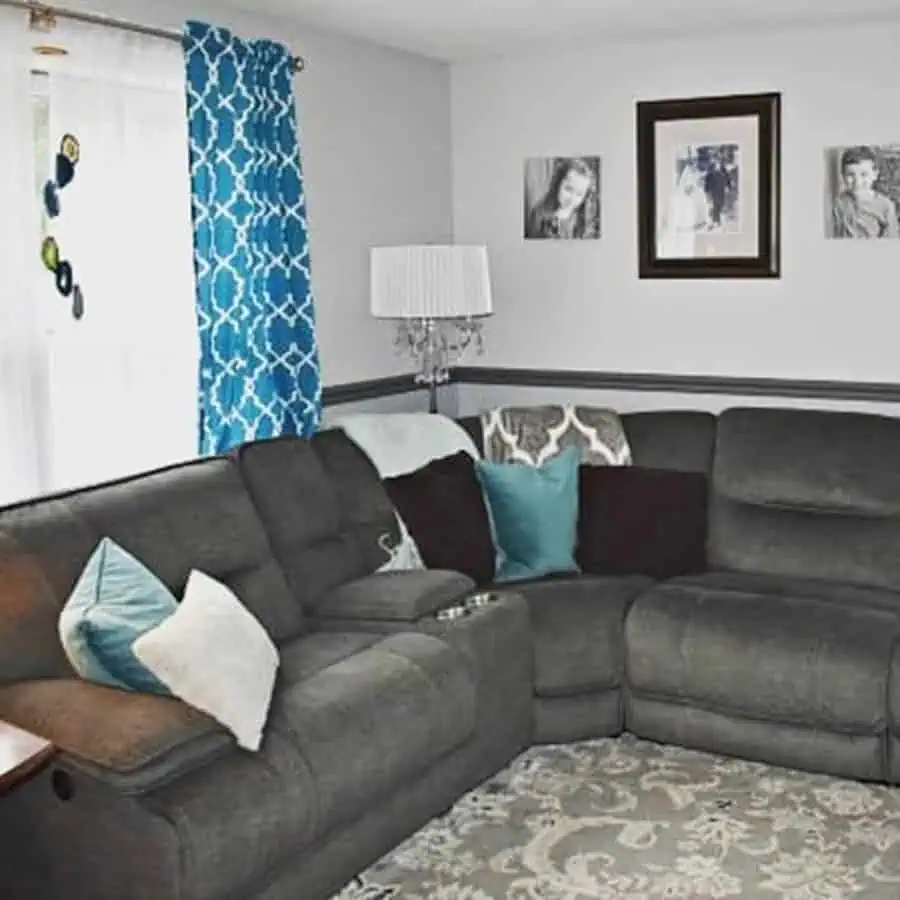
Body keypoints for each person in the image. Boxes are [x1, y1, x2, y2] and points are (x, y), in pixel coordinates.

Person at [832, 145, 900, 239]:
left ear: (875, 175)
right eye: (850, 175)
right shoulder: (840, 203)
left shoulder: (886, 206)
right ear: (843, 176)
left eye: (864, 175)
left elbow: (892, 237)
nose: (857, 181)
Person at [526, 158, 597, 239]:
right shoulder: (539, 214)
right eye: (568, 189)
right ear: (558, 183)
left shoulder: (583, 218)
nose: (572, 199)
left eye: (579, 194)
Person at [704, 153, 729, 230]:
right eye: (714, 159)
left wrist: (728, 186)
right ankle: (713, 222)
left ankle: (717, 221)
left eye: (717, 159)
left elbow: (727, 177)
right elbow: (707, 179)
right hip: (713, 189)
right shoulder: (710, 168)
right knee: (714, 205)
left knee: (719, 205)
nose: (716, 160)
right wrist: (706, 190)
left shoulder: (722, 167)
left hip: (720, 189)